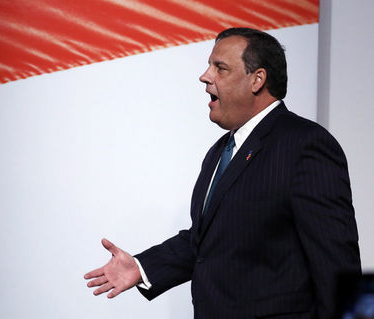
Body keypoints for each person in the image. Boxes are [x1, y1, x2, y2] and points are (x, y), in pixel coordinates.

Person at [84, 27, 361, 319]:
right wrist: (142, 268)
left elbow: (337, 266)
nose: (205, 76)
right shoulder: (220, 151)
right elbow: (206, 243)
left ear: (257, 80)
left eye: (221, 68)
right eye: (209, 66)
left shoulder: (304, 144)